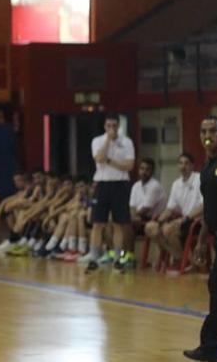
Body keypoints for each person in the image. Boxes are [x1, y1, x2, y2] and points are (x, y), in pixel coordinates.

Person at [185, 115, 217, 362]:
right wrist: (202, 241)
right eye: (203, 130)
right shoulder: (206, 168)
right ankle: (211, 347)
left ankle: (211, 348)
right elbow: (208, 208)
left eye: (213, 130)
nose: (207, 135)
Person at [79, 113, 135, 272]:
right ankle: (94, 258)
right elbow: (98, 157)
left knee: (118, 223)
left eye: (114, 126)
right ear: (105, 127)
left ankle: (118, 258)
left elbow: (129, 165)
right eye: (108, 126)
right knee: (98, 223)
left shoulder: (127, 142)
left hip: (120, 184)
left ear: (119, 126)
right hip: (102, 184)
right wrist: (108, 141)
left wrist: (110, 161)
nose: (112, 128)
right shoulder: (97, 141)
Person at [144, 153, 202, 270]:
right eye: (180, 163)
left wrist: (186, 218)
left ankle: (188, 262)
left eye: (186, 163)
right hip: (183, 221)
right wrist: (159, 221)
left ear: (192, 166)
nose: (183, 166)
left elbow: (203, 205)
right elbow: (170, 209)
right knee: (150, 228)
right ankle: (180, 258)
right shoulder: (176, 184)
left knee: (168, 229)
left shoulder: (199, 179)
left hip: (197, 220)